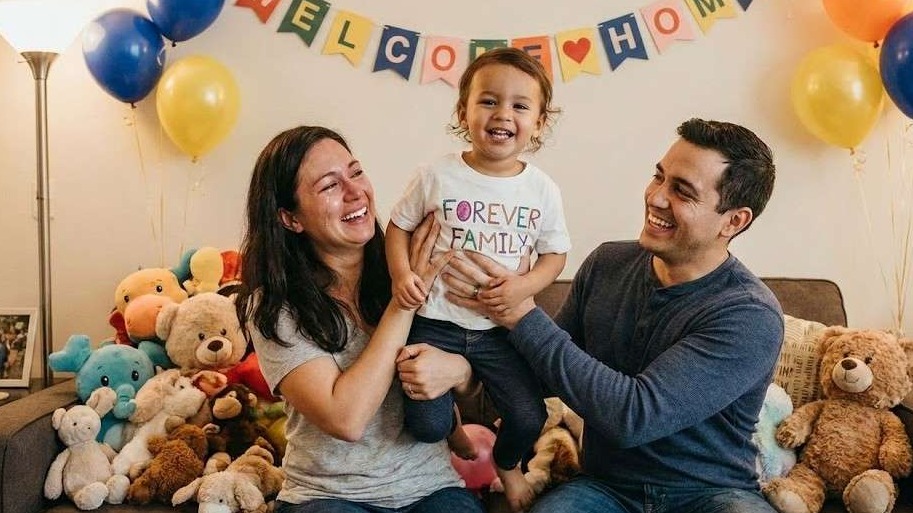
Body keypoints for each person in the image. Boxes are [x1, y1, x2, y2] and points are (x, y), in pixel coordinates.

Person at [447, 118, 782, 513]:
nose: (656, 198)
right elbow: (544, 371)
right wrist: (461, 365)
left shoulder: (750, 315)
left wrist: (522, 314)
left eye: (682, 191)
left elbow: (632, 417)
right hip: (606, 488)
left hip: (712, 494)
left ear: (734, 220)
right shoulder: (608, 263)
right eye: (659, 177)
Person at [235, 125, 485, 513]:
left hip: (430, 488)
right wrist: (404, 302)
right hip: (328, 497)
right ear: (290, 218)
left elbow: (476, 377)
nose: (356, 192)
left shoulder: (410, 262)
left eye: (355, 172)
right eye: (329, 186)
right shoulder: (273, 306)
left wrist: (459, 370)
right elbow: (346, 418)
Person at [386, 47, 571, 512]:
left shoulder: (542, 189)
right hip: (435, 323)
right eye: (488, 101)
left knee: (530, 416)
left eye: (520, 105)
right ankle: (450, 424)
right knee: (424, 425)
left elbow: (555, 255)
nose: (503, 114)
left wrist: (523, 287)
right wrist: (403, 274)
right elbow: (398, 227)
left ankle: (506, 466)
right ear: (463, 111)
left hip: (499, 332)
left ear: (540, 122)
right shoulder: (436, 175)